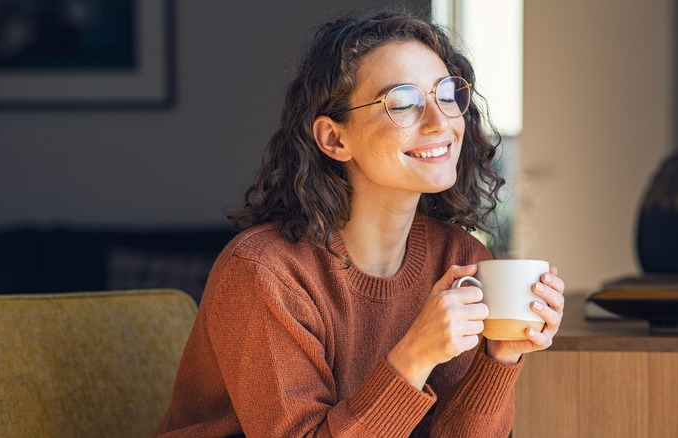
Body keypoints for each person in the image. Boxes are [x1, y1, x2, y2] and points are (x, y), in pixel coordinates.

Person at [156, 9, 565, 438]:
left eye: (446, 94)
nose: (439, 121)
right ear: (335, 138)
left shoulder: (459, 260)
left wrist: (499, 358)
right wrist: (413, 356)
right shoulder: (264, 273)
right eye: (403, 103)